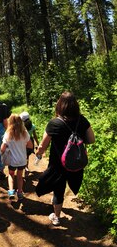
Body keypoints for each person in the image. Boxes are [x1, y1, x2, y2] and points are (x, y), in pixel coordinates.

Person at [35, 91, 95, 226]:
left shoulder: (54, 123)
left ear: (60, 105)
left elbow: (43, 146)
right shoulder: (82, 120)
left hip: (58, 164)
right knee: (71, 181)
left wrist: (38, 153)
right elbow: (91, 140)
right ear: (75, 105)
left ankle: (56, 217)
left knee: (58, 189)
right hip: (76, 161)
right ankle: (58, 207)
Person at [1, 114, 33, 200]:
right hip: (22, 160)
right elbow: (30, 146)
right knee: (20, 176)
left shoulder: (8, 134)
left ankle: (11, 191)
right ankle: (20, 192)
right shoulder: (24, 133)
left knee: (11, 175)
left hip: (12, 160)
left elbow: (2, 148)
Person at [20, 111, 39, 177]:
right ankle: (26, 168)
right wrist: (38, 144)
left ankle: (22, 168)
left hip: (22, 142)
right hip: (30, 142)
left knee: (21, 155)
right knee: (27, 156)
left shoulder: (21, 127)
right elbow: (35, 136)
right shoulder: (32, 126)